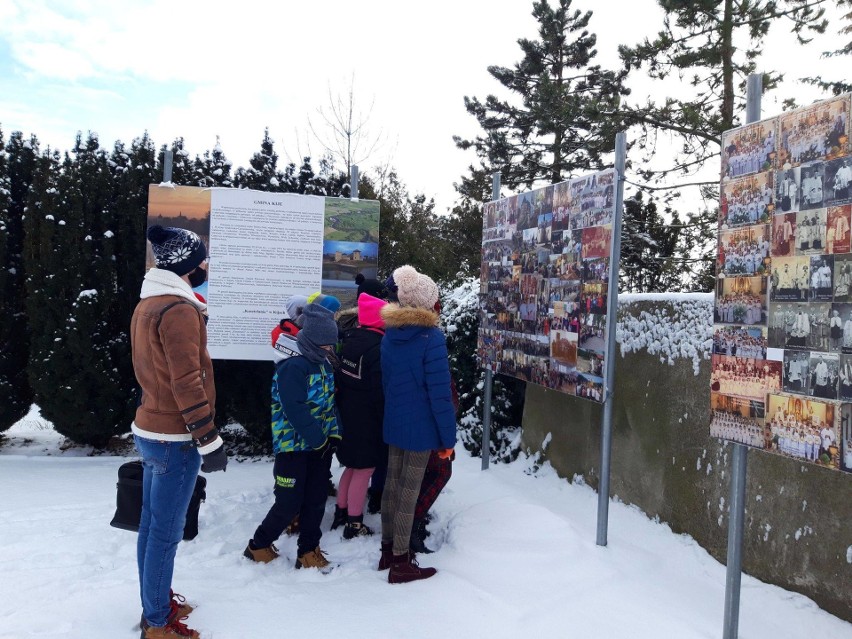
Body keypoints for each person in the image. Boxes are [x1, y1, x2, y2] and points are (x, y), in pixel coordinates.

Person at [131, 225, 228, 639]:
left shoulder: (149, 303)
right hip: (175, 438)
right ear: (187, 264)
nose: (205, 265)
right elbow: (186, 380)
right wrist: (208, 438)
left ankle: (155, 603)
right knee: (164, 534)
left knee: (153, 526)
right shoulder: (179, 310)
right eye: (201, 258)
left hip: (151, 427)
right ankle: (156, 624)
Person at [244, 304, 341, 572]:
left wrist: (334, 433)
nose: (329, 350)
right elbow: (294, 408)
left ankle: (308, 551)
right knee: (289, 502)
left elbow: (330, 405)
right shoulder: (292, 367)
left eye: (331, 345)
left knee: (315, 499)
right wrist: (318, 439)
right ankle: (258, 545)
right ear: (310, 341)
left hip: (319, 446)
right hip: (293, 447)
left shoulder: (324, 366)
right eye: (324, 345)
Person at [377, 265, 456, 583]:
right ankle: (400, 562)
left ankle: (386, 551)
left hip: (395, 421)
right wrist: (447, 440)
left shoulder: (390, 334)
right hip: (421, 429)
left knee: (391, 487)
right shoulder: (431, 339)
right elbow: (440, 396)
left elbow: (386, 383)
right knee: (409, 493)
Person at [332, 292, 388, 538]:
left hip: (348, 413)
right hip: (367, 418)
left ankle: (341, 511)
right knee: (365, 470)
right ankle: (354, 523)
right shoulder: (378, 347)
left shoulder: (350, 340)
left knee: (351, 467)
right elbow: (378, 389)